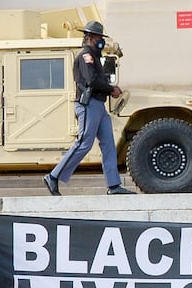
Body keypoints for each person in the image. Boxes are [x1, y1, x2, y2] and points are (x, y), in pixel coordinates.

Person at [44, 20, 135, 196]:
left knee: (109, 144)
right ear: (89, 38)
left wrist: (109, 89)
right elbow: (91, 80)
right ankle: (53, 176)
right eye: (98, 38)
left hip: (98, 105)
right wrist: (111, 89)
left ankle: (114, 185)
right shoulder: (86, 56)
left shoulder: (94, 57)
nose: (100, 41)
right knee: (84, 143)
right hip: (88, 105)